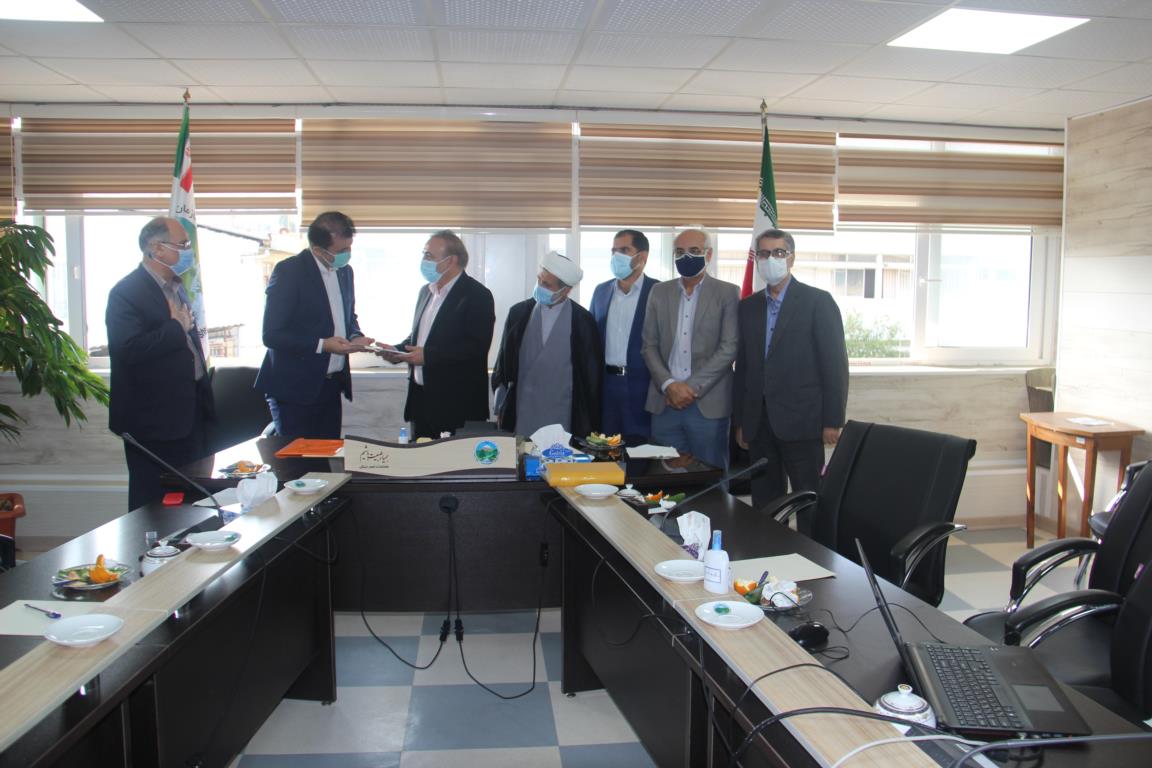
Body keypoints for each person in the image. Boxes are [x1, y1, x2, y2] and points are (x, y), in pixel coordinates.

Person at [734, 228, 849, 534]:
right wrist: (741, 421)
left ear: (791, 258)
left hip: (803, 421)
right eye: (764, 253)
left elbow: (834, 365)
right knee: (765, 502)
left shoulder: (817, 301)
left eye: (778, 252)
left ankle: (814, 555)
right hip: (759, 423)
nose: (770, 259)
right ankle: (770, 550)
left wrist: (832, 420)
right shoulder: (748, 306)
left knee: (808, 498)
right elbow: (743, 367)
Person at [107, 216, 213, 510]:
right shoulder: (126, 292)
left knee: (190, 502)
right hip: (154, 423)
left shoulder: (177, 287)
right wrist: (175, 328)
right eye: (183, 244)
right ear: (156, 249)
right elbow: (128, 349)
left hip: (189, 414)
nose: (188, 251)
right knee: (154, 506)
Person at [255, 211, 375, 439]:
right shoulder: (289, 271)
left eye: (349, 248)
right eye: (341, 251)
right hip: (294, 389)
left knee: (327, 457)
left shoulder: (345, 272)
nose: (347, 255)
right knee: (297, 458)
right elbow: (272, 335)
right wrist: (323, 344)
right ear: (318, 250)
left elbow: (347, 316)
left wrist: (355, 336)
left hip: (330, 386)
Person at [378, 230, 495, 439]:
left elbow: (475, 346)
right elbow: (420, 337)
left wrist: (428, 356)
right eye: (424, 254)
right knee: (420, 458)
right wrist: (397, 351)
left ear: (451, 261)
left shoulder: (477, 295)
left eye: (429, 255)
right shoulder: (426, 292)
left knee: (454, 460)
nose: (424, 261)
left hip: (457, 404)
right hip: (421, 402)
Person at [641, 229, 739, 470]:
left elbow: (729, 347)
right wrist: (669, 385)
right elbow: (648, 345)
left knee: (710, 477)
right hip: (665, 402)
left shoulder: (727, 292)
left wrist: (689, 388)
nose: (686, 257)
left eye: (694, 251)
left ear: (709, 255)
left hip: (707, 404)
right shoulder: (659, 291)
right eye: (679, 252)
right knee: (666, 476)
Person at [491, 251, 602, 438]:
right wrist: (501, 403)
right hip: (523, 411)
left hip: (563, 414)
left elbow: (591, 378)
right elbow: (502, 364)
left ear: (565, 290)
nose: (540, 286)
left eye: (547, 284)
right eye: (539, 280)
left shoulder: (583, 321)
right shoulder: (518, 314)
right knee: (522, 454)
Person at [589, 229, 659, 445]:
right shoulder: (601, 291)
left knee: (640, 452)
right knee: (605, 451)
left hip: (643, 386)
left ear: (642, 256)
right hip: (606, 386)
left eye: (624, 250)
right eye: (613, 251)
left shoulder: (659, 291)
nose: (616, 256)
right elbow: (591, 341)